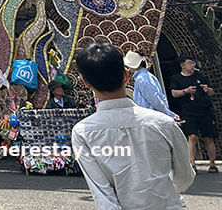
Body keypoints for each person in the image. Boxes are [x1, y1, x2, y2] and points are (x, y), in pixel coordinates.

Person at [71, 42, 194, 209]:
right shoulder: (164, 123)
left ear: (85, 82)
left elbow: (103, 196)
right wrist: (163, 192)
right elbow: (185, 176)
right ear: (126, 76)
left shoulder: (83, 132)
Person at [169, 56, 218, 173]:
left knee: (208, 137)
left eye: (193, 63)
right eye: (190, 63)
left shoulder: (200, 76)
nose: (193, 66)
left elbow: (212, 92)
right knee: (192, 136)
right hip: (188, 112)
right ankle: (192, 163)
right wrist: (186, 91)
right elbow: (174, 93)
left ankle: (212, 163)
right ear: (182, 65)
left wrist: (207, 90)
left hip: (203, 111)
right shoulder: (176, 78)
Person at [124, 51, 176, 119]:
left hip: (150, 117)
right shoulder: (146, 77)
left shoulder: (142, 79)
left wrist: (168, 114)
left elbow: (154, 100)